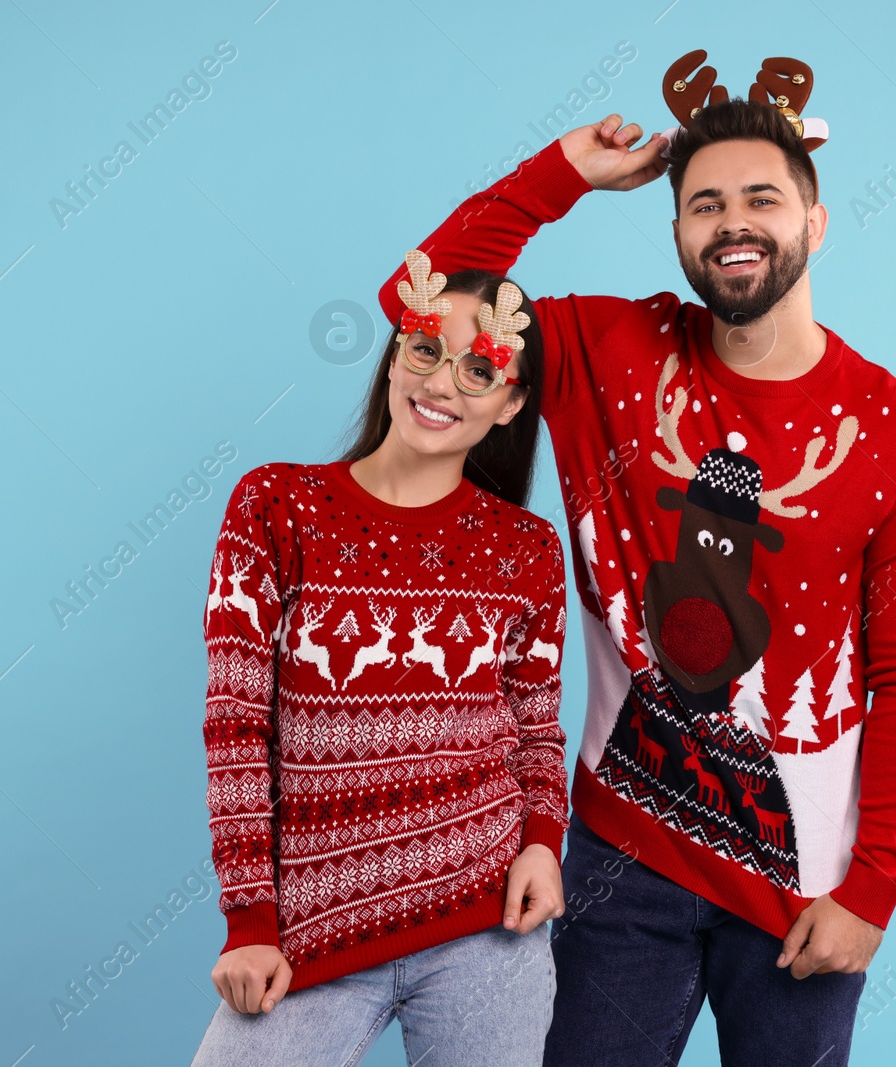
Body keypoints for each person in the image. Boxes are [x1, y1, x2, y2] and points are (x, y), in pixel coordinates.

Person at [375, 50, 896, 1066]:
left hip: (804, 884)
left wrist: (872, 888)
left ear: (814, 223)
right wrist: (562, 170)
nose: (733, 221)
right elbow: (419, 304)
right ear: (678, 230)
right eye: (704, 204)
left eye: (761, 199)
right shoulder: (610, 348)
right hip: (618, 857)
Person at [190, 251, 571, 1067]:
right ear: (396, 350)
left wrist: (542, 840)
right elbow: (235, 727)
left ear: (511, 404)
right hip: (309, 936)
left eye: (481, 370)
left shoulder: (529, 550)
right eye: (426, 349)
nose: (441, 384)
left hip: (487, 922)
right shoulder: (275, 507)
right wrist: (250, 922)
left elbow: (538, 729)